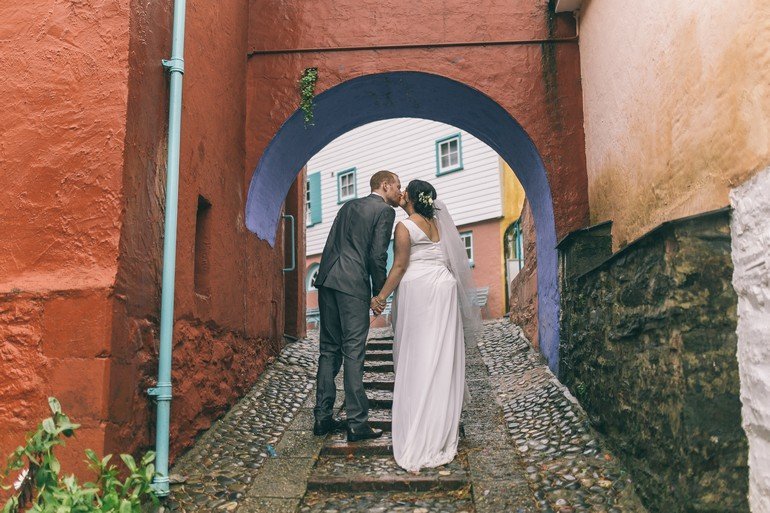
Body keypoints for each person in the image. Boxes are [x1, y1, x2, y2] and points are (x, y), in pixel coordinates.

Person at [370, 179, 481, 472]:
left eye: (405, 189)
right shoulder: (440, 225)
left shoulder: (404, 227)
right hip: (444, 287)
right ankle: (441, 426)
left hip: (418, 288)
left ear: (412, 199)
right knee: (442, 357)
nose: (401, 192)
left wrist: (380, 296)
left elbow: (400, 266)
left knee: (416, 357)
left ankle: (420, 431)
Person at [313, 170, 402, 442]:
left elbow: (332, 244)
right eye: (397, 185)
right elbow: (378, 255)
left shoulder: (348, 205)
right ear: (385, 185)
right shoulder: (385, 212)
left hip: (327, 280)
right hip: (352, 285)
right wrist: (379, 294)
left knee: (329, 349)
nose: (400, 191)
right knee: (353, 351)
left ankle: (322, 418)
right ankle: (357, 422)